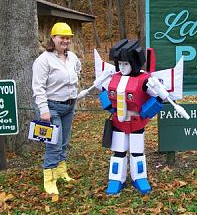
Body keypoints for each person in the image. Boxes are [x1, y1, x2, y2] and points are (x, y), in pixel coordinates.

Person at [92, 39, 188, 195]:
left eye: (126, 64)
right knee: (119, 152)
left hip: (136, 123)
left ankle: (140, 178)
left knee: (137, 152)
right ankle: (116, 179)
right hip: (118, 122)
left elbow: (157, 97)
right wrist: (109, 106)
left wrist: (147, 109)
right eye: (120, 64)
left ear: (134, 63)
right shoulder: (113, 77)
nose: (122, 68)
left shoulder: (145, 80)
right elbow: (104, 92)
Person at [32, 22, 81, 195]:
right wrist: (44, 110)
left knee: (64, 141)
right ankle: (49, 178)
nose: (65, 40)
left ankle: (61, 171)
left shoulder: (72, 57)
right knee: (54, 143)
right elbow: (38, 88)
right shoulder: (43, 60)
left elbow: (77, 73)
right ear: (53, 38)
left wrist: (75, 93)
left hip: (69, 105)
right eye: (62, 37)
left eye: (68, 38)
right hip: (51, 107)